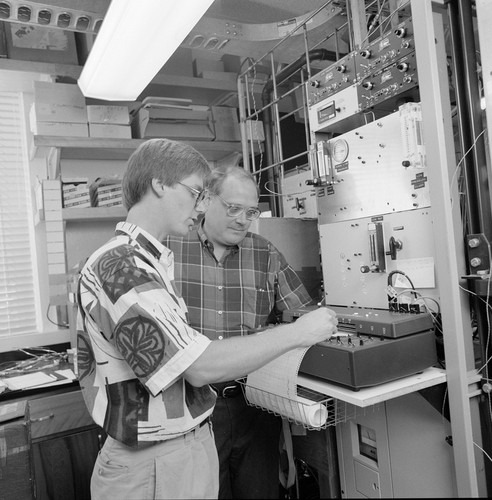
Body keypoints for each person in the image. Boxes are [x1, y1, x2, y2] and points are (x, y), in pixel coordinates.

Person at [76, 138, 338, 500]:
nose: (198, 205)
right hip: (156, 460)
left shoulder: (149, 262)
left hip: (186, 443)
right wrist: (298, 332)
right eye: (196, 192)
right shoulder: (122, 266)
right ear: (159, 184)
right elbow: (197, 367)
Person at [165, 164, 319, 499]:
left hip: (255, 405)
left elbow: (301, 316)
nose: (242, 219)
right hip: (190, 408)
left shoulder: (264, 252)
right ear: (206, 200)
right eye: (233, 208)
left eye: (251, 211)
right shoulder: (170, 249)